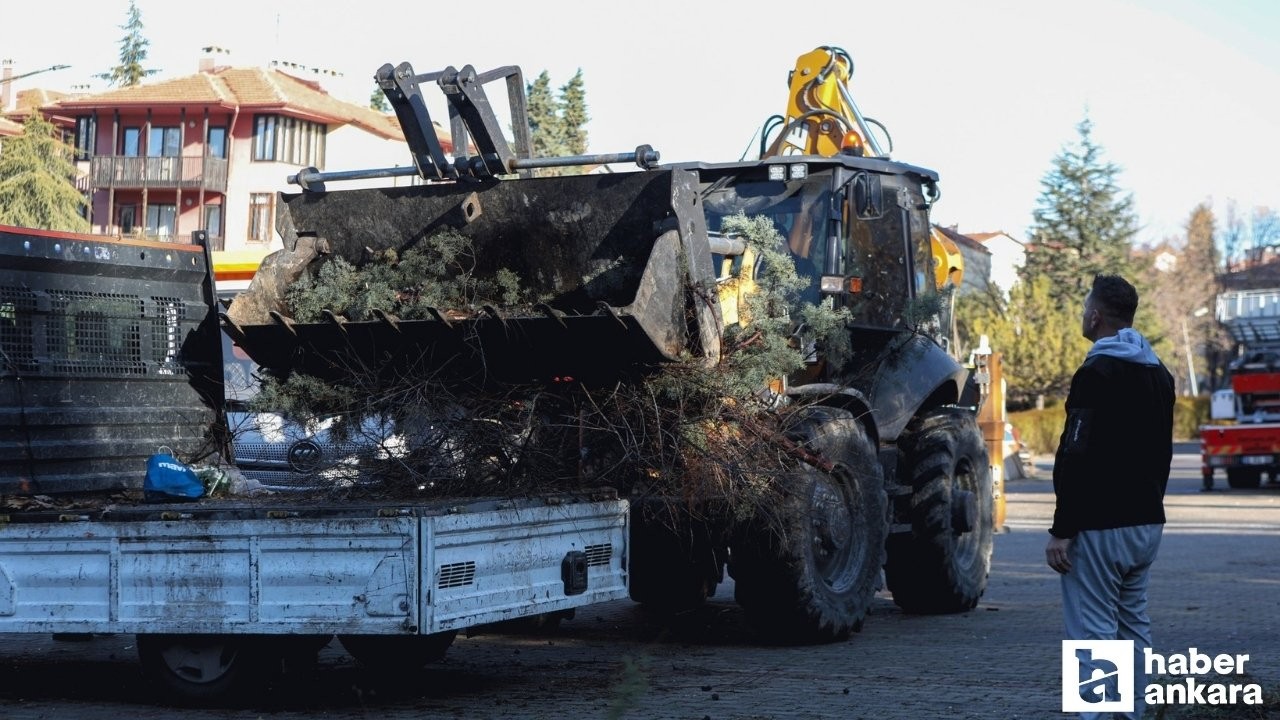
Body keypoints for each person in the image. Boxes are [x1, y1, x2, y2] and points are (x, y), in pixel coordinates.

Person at [1045, 274, 1175, 720]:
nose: (1084, 314)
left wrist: (1062, 529)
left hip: (1100, 526)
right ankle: (1136, 713)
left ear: (1096, 315)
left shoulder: (1095, 373)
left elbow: (1075, 452)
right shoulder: (1159, 373)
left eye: (1085, 308)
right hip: (1147, 523)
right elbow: (1164, 452)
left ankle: (1098, 716)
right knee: (1133, 625)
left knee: (1093, 633)